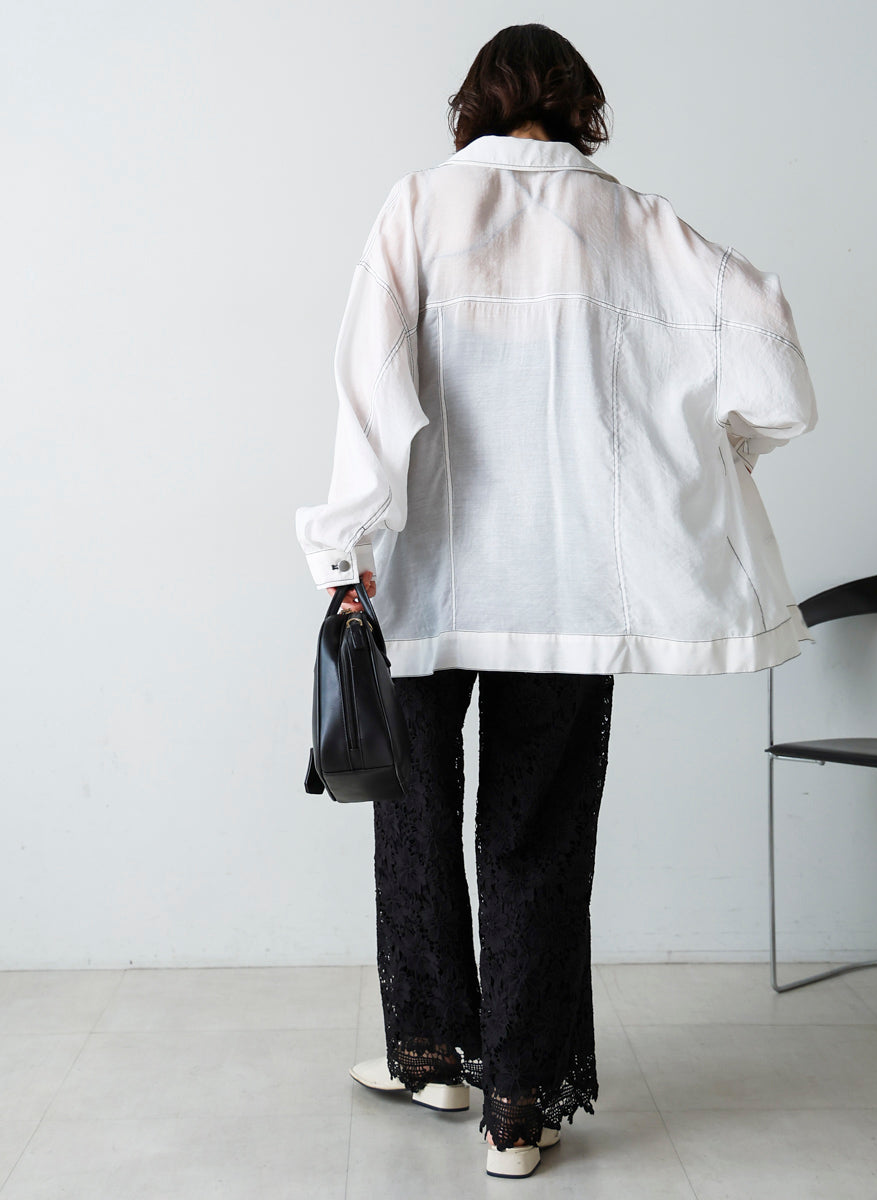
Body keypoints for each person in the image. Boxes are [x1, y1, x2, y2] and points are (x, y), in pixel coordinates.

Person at [294, 23, 817, 1180]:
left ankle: (433, 1054)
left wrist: (342, 551)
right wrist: (718, 453)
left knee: (413, 815)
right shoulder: (636, 222)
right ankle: (517, 1112)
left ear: (472, 103)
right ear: (581, 106)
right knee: (536, 836)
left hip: (424, 577)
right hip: (576, 591)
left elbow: (370, 396)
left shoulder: (420, 206)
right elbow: (770, 352)